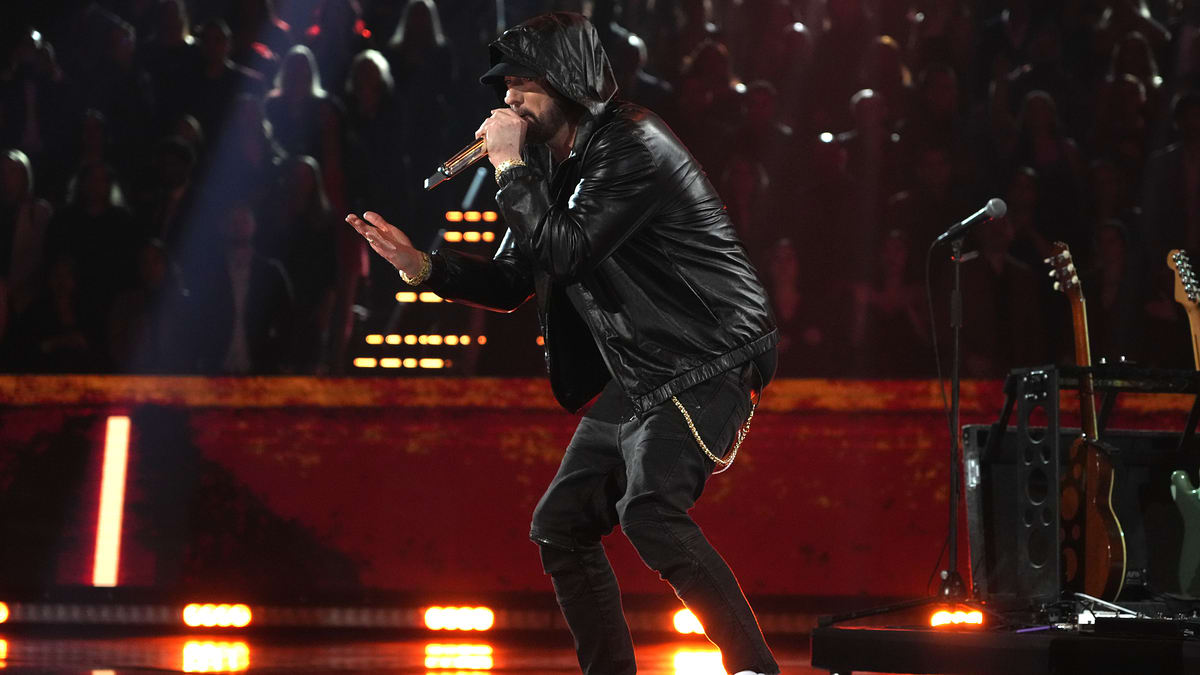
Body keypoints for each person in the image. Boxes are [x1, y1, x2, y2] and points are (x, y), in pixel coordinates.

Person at [345, 12, 780, 675]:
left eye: (524, 87)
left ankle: (754, 668)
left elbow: (566, 251)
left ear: (569, 84)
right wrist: (422, 265)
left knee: (649, 510)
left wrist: (511, 164)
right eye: (506, 90)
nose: (508, 103)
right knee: (561, 524)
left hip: (706, 357)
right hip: (642, 372)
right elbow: (521, 275)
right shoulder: (552, 165)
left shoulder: (633, 145)